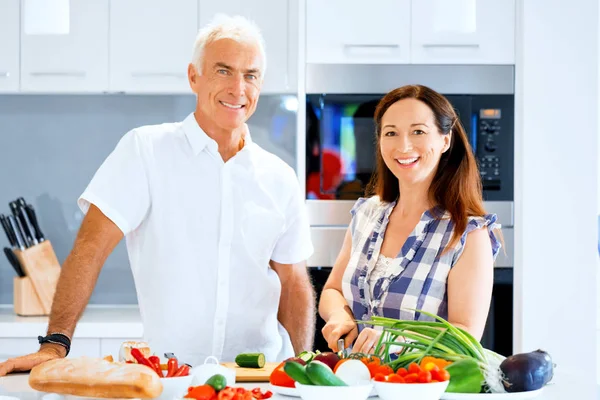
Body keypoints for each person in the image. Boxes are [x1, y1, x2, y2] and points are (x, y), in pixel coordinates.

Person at [0, 14, 316, 376]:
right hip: (168, 379)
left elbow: (293, 282)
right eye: (224, 71)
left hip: (258, 376)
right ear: (194, 77)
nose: (238, 89)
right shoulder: (145, 150)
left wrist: (303, 361)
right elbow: (90, 249)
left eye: (251, 75)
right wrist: (55, 344)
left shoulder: (279, 176)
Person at [319, 85, 502, 355]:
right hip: (354, 381)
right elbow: (332, 290)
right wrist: (339, 316)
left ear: (445, 140)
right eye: (391, 133)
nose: (403, 146)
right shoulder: (367, 213)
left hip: (422, 385)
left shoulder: (468, 232)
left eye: (418, 131)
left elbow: (465, 335)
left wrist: (394, 343)